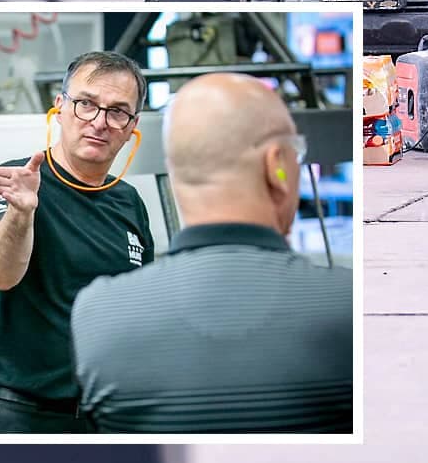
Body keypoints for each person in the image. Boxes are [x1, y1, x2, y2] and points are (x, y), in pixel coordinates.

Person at [71, 73, 352, 433]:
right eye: (295, 156)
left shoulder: (97, 314)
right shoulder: (346, 306)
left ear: (176, 172)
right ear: (277, 166)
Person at [0, 50, 156, 434]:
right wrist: (22, 214)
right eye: (86, 104)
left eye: (117, 111)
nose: (99, 122)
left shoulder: (129, 203)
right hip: (19, 414)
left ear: (132, 125)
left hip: (105, 416)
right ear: (60, 107)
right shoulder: (19, 182)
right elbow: (2, 274)